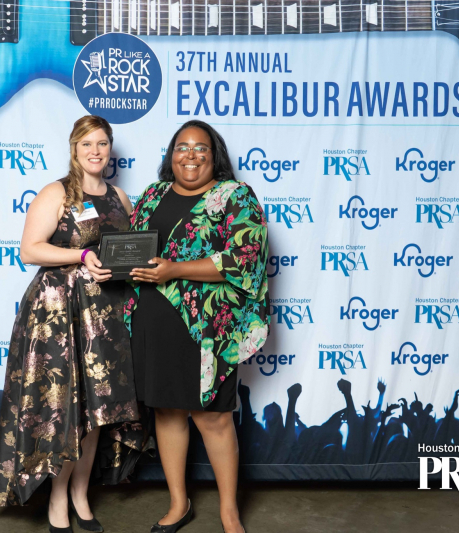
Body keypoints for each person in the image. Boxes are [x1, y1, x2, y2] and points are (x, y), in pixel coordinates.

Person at [0, 115, 147, 533]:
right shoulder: (56, 193)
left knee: (98, 409)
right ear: (74, 149)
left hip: (106, 317)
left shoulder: (121, 198)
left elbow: (125, 254)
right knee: (66, 408)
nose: (95, 151)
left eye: (102, 143)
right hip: (59, 313)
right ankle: (57, 498)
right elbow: (30, 249)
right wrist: (81, 257)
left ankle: (80, 494)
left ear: (110, 148)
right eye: (87, 144)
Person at [126, 120, 270, 533]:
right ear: (171, 155)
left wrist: (174, 271)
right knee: (168, 413)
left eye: (200, 148)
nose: (190, 155)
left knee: (213, 417)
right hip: (154, 321)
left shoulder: (235, 196)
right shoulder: (153, 196)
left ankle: (229, 512)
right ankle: (178, 504)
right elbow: (136, 250)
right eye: (181, 147)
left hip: (208, 330)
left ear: (215, 155)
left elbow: (245, 258)